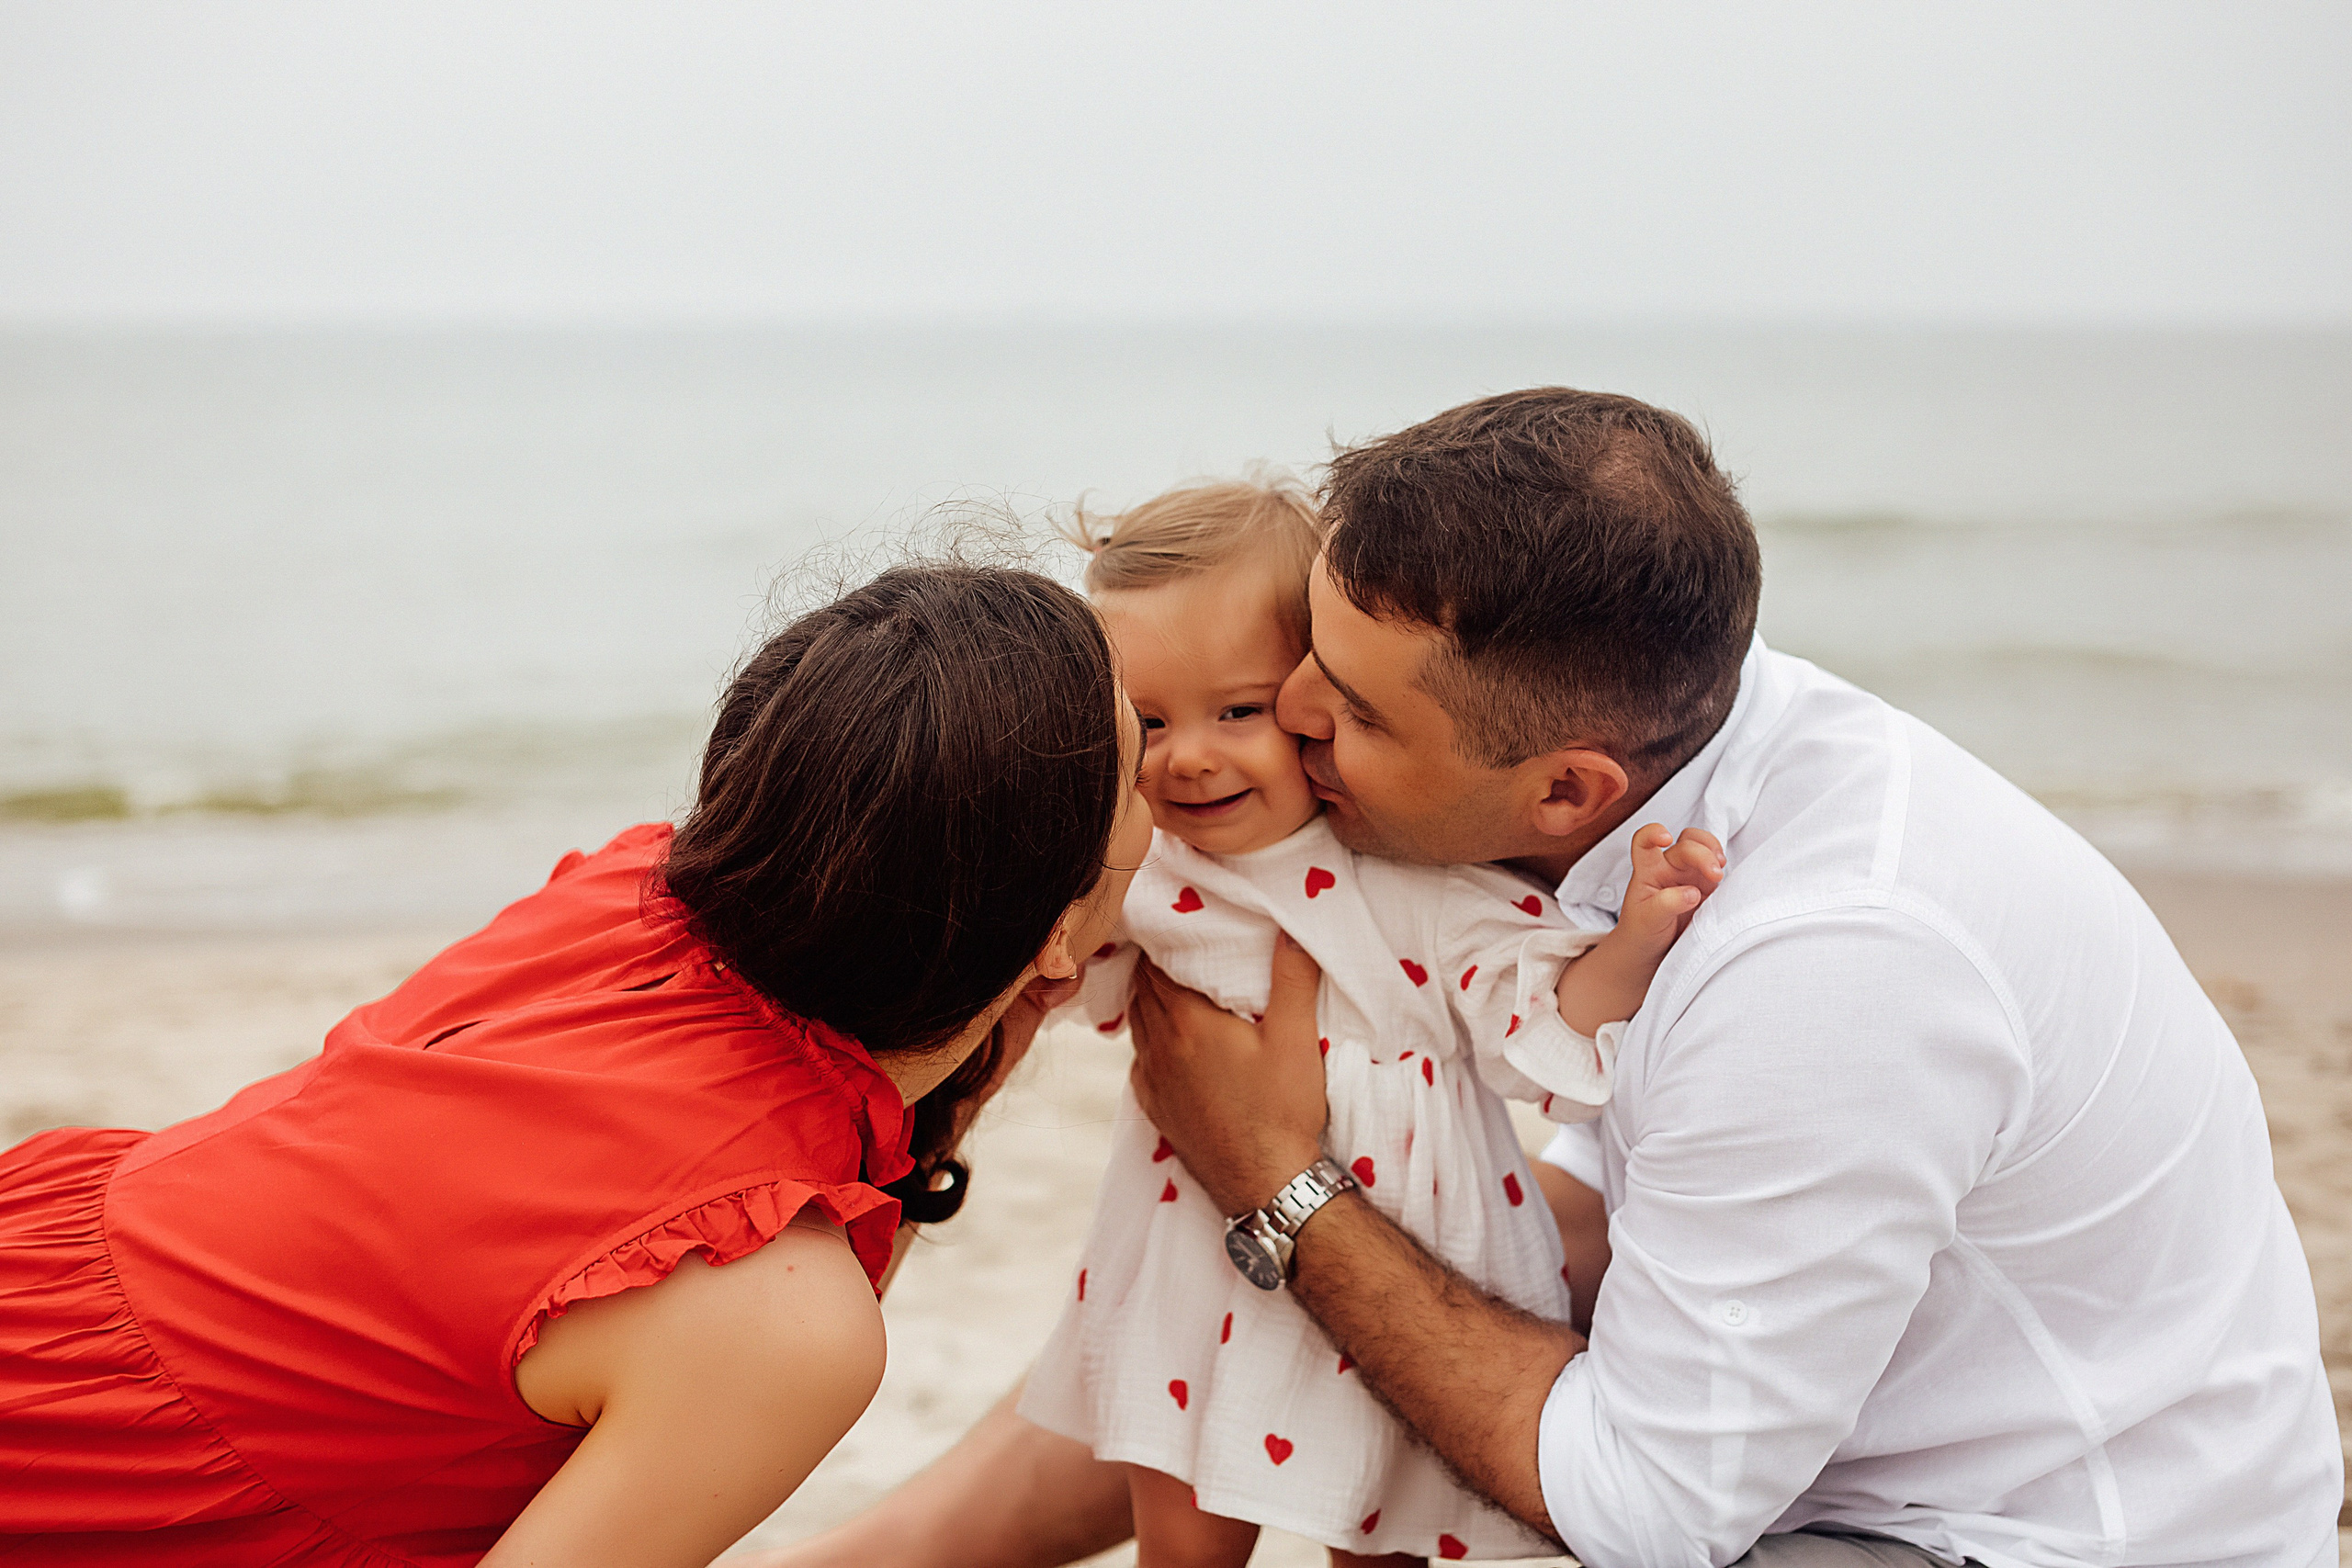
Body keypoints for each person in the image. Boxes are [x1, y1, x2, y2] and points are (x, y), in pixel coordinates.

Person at [763, 391, 2343, 1568]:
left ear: (1569, 787)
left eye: (1356, 711)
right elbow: (1548, 1238)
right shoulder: (1667, 755)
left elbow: (1643, 1506)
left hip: (2022, 1535)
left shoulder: (1819, 969)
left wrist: (1274, 1175)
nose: (1293, 716)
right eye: (1303, 651)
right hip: (1818, 1452)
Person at [0, 561, 1157, 1568]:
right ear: (1049, 931)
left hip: (58, 1283)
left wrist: (1007, 1005)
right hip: (102, 1500)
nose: (1165, 783)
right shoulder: (784, 1322)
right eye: (1138, 765)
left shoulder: (631, 888)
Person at [1022, 477, 1724, 1566]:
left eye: (1238, 711)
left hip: (1410, 1250)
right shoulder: (1149, 870)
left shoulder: (1406, 875)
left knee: (1389, 1518)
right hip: (1191, 1241)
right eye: (1146, 723)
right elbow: (1068, 973)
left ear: (1316, 701)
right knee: (1182, 1529)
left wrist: (1632, 940)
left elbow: (1531, 1018)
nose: (1187, 756)